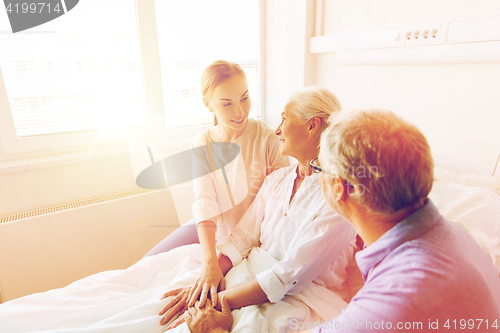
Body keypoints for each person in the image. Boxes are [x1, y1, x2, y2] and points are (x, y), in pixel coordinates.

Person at [158, 87, 357, 331]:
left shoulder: (339, 197)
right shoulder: (278, 180)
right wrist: (206, 281)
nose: (277, 130)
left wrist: (217, 301)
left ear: (312, 125)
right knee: (162, 308)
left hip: (298, 299)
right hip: (247, 275)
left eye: (284, 119)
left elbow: (289, 275)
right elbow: (242, 238)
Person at [310, 108, 500, 332]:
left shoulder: (398, 296)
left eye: (318, 167)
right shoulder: (451, 232)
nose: (316, 174)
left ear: (338, 187)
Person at [144, 60, 289, 309]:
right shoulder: (202, 144)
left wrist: (222, 261)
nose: (240, 111)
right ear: (207, 104)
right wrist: (209, 262)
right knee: (150, 266)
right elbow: (205, 203)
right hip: (219, 234)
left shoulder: (268, 140)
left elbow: (279, 208)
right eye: (227, 103)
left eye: (244, 98)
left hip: (255, 242)